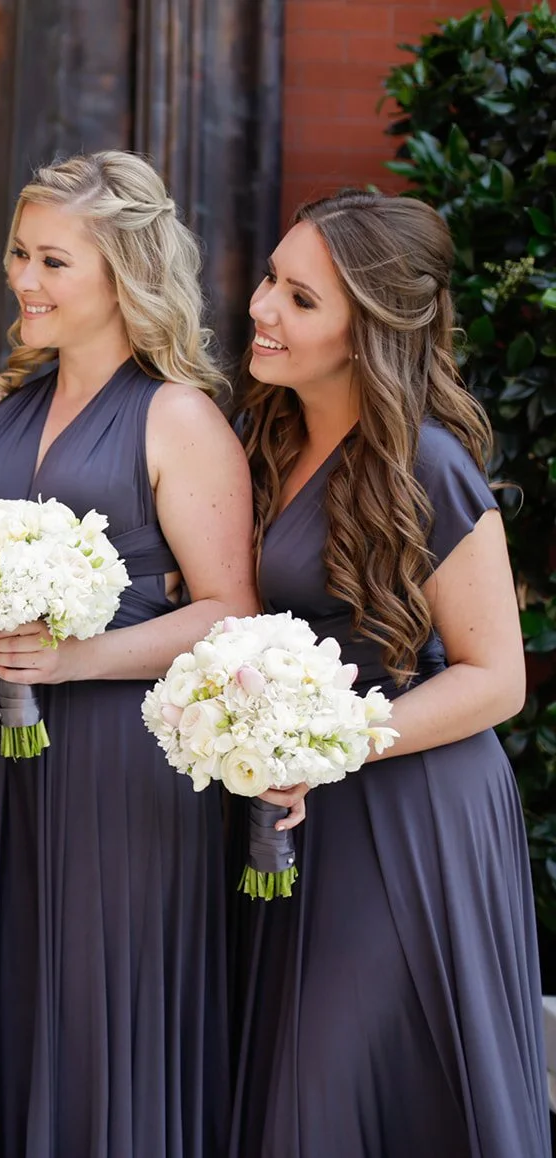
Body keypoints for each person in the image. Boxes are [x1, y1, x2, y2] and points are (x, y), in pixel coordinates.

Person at [0, 151, 257, 1158]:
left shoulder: (176, 416)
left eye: (51, 262)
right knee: (15, 990)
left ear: (121, 272)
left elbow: (226, 609)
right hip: (2, 759)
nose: (23, 281)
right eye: (18, 255)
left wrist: (74, 660)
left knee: (97, 1004)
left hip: (125, 769)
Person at [228, 190, 548, 1157]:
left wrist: (329, 745)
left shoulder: (427, 465)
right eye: (271, 279)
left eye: (300, 298)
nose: (261, 308)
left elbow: (498, 679)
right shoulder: (274, 437)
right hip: (306, 807)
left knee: (344, 1080)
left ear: (368, 330)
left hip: (413, 812)